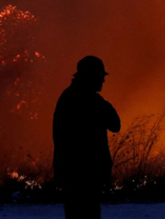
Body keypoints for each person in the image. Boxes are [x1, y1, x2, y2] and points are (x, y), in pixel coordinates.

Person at [52, 55, 120, 219]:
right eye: (100, 77)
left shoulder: (67, 96)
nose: (103, 81)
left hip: (71, 174)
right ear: (90, 76)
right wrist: (105, 105)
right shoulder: (92, 101)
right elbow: (115, 125)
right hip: (86, 175)